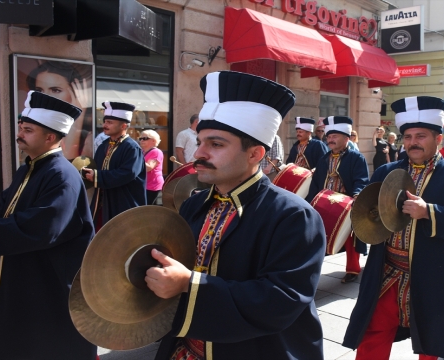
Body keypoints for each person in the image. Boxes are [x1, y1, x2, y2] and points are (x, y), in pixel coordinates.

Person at [144, 71, 326, 359]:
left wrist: (189, 285)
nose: (197, 155)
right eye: (200, 141)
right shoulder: (194, 204)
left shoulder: (294, 216)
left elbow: (282, 300)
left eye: (215, 144)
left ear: (255, 154)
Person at [0, 91, 96, 359]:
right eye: (21, 127)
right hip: (25, 270)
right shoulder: (29, 168)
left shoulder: (62, 176)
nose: (20, 134)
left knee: (41, 343)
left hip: (47, 280)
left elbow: (41, 229)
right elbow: (6, 206)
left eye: (28, 130)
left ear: (50, 137)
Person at [343, 96, 444, 360]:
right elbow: (369, 213)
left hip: (434, 273)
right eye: (407, 137)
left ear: (438, 139)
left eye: (421, 136)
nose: (412, 142)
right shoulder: (386, 171)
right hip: (387, 271)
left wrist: (429, 212)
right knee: (373, 333)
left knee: (431, 341)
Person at [305, 116, 369, 283]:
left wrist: (356, 195)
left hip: (346, 203)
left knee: (350, 238)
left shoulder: (356, 158)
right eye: (329, 136)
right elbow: (316, 181)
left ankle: (353, 270)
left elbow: (361, 180)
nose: (330, 139)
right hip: (325, 202)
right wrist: (311, 202)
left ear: (346, 138)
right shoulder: (323, 158)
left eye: (335, 136)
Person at [82, 101, 146, 230]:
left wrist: (98, 176)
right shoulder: (103, 145)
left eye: (109, 122)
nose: (104, 125)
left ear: (123, 126)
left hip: (122, 202)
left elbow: (128, 173)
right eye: (105, 121)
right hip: (103, 201)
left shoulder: (132, 148)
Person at [26, 61, 93, 160]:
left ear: (76, 93)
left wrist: (78, 116)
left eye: (56, 90)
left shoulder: (89, 138)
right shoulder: (30, 127)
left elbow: (67, 164)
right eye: (39, 91)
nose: (46, 97)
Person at [139, 129, 165, 205]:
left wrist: (136, 158)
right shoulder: (142, 152)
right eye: (140, 138)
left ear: (153, 140)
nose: (142, 140)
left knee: (149, 209)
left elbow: (149, 167)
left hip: (153, 185)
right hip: (145, 184)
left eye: (145, 138)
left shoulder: (156, 152)